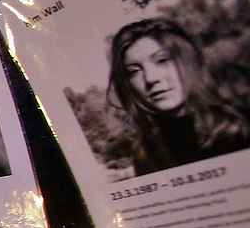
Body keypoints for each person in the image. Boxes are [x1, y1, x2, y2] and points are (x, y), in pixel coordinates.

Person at [107, 17, 250, 175]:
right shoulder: (146, 156)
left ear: (188, 60)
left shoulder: (240, 128)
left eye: (162, 60)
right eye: (133, 71)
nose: (150, 78)